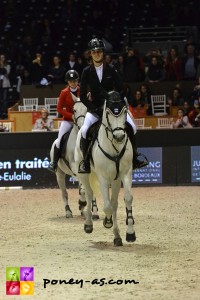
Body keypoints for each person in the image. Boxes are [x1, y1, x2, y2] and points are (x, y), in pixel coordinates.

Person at [78, 37, 148, 173]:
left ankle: (135, 158)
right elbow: (81, 96)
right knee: (85, 131)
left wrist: (114, 98)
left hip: (112, 108)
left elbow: (123, 88)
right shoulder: (86, 71)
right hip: (95, 109)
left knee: (132, 127)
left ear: (103, 53)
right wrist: (94, 109)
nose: (97, 54)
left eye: (99, 51)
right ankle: (85, 162)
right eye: (94, 52)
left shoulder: (111, 68)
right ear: (90, 54)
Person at [48, 70, 80, 172]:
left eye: (75, 80)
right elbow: (59, 109)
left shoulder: (81, 90)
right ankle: (54, 162)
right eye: (71, 81)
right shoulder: (64, 92)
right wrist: (71, 116)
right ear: (68, 82)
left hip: (80, 120)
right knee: (60, 139)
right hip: (68, 121)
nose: (73, 83)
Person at [0, 54, 11, 119]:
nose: (1, 59)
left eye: (3, 57)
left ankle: (3, 113)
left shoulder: (8, 66)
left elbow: (7, 73)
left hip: (5, 84)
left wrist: (2, 65)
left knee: (4, 100)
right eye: (0, 58)